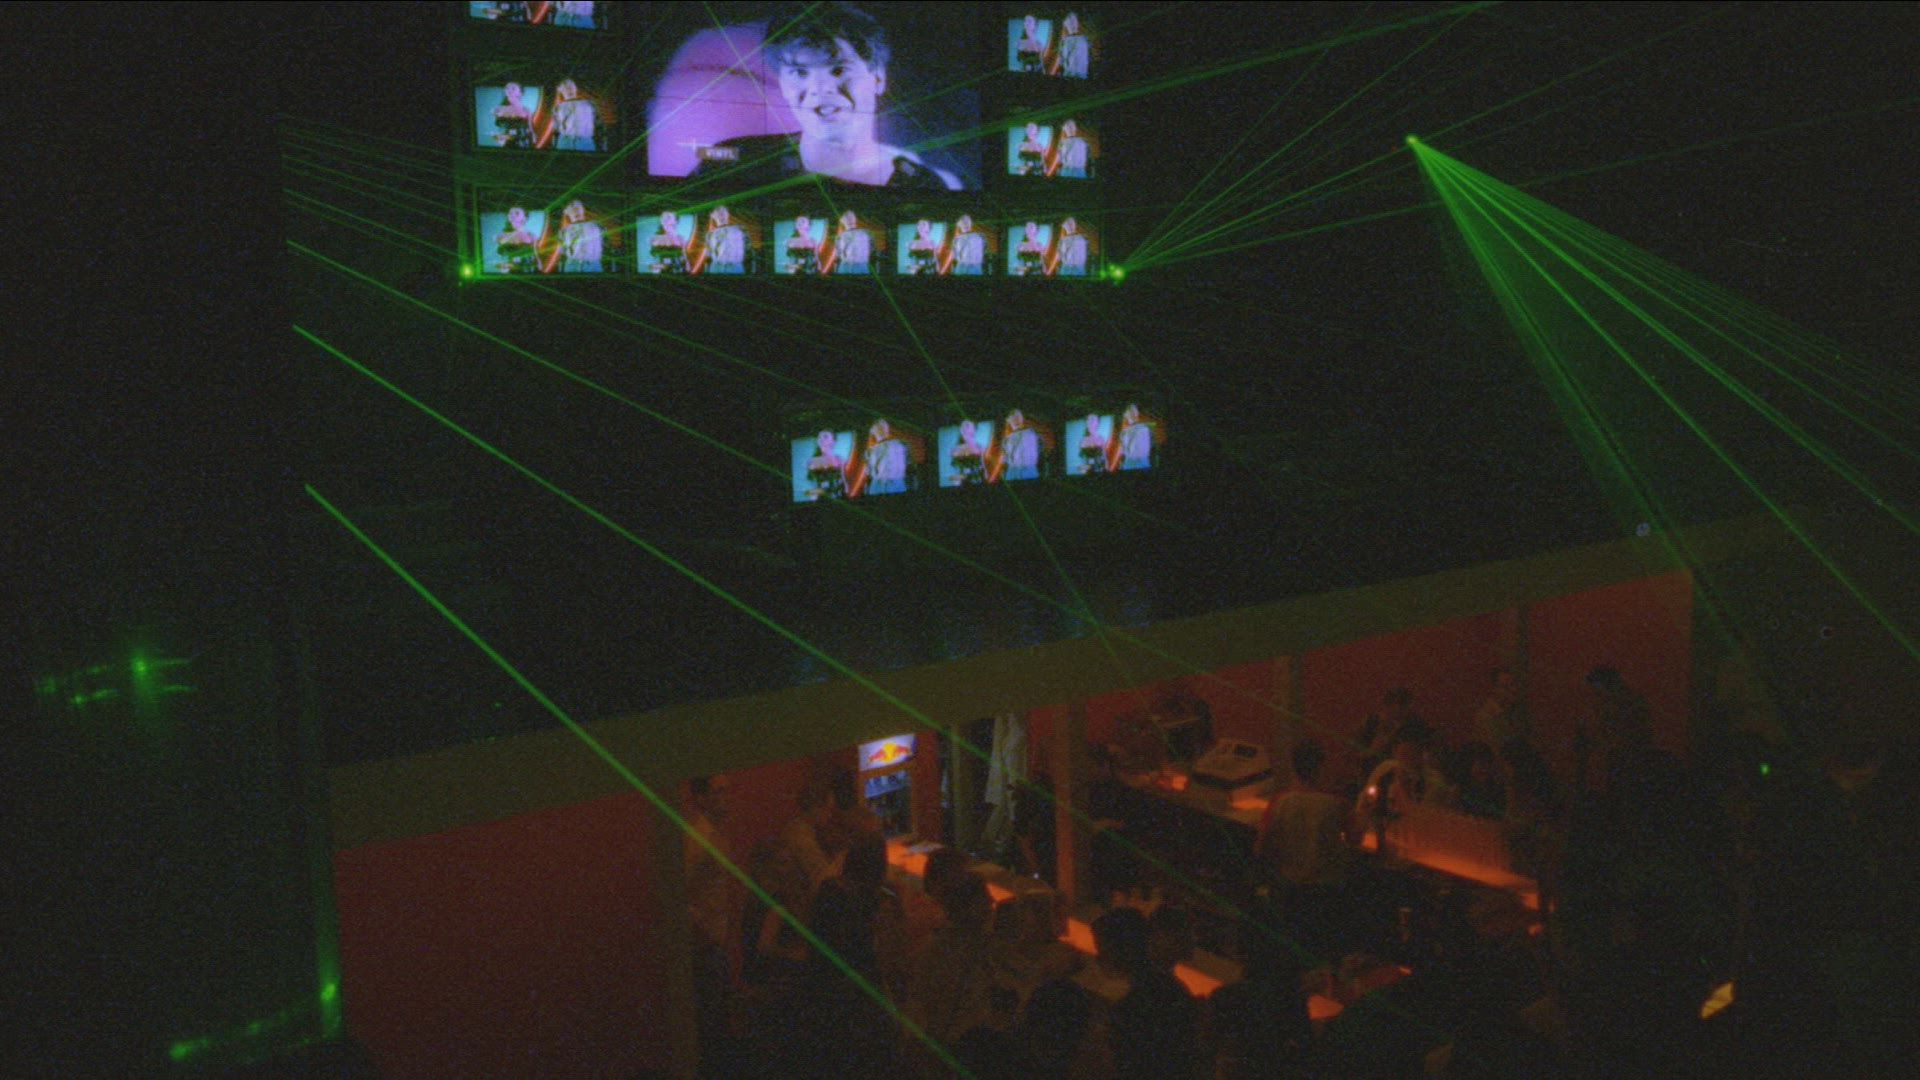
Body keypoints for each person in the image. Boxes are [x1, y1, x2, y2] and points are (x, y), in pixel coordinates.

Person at [691, 3, 961, 190]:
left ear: (878, 78)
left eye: (838, 69)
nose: (820, 88)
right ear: (783, 85)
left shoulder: (925, 184)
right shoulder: (733, 162)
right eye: (800, 72)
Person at [1473, 667, 1530, 754]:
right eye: (1506, 687)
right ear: (1494, 689)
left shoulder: (1516, 712)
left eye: (1514, 685)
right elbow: (1493, 753)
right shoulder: (1486, 718)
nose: (1514, 690)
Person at [860, 418, 907, 494]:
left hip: (887, 486)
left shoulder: (897, 445)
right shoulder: (900, 445)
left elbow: (870, 471)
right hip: (888, 485)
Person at [557, 199, 602, 273]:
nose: (576, 208)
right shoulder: (563, 232)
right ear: (565, 211)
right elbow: (562, 251)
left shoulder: (596, 226)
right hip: (572, 268)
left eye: (578, 204)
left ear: (583, 208)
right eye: (572, 205)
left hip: (593, 267)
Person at [552, 78, 596, 150]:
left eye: (572, 84)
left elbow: (599, 125)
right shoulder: (557, 107)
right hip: (565, 143)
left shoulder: (589, 104)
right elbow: (555, 129)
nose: (569, 87)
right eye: (565, 84)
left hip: (585, 142)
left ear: (576, 87)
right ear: (559, 89)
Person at [493, 205, 538, 274]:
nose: (512, 215)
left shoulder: (532, 236)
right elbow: (497, 259)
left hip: (529, 272)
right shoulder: (499, 236)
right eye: (510, 213)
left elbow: (536, 256)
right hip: (509, 273)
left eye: (517, 213)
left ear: (524, 218)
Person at [998, 409, 1040, 481]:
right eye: (1012, 414)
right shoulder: (1006, 440)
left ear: (1022, 416)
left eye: (1018, 414)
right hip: (1012, 475)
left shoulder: (1032, 433)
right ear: (1007, 419)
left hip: (1030, 474)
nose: (1016, 416)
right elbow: (1004, 460)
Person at [703, 205, 746, 273]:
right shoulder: (709, 235)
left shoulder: (739, 229)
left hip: (735, 268)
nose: (721, 212)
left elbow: (750, 251)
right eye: (718, 209)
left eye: (724, 209)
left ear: (728, 213)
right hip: (716, 269)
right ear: (712, 215)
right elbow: (708, 256)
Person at [805, 429, 846, 500]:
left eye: (825, 437)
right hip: (821, 500)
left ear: (833, 441)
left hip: (839, 498)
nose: (821, 439)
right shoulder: (811, 461)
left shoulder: (839, 459)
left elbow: (844, 481)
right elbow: (810, 486)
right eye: (819, 437)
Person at [492, 81, 532, 148]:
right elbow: (499, 127)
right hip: (505, 145)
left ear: (520, 93)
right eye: (507, 88)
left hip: (523, 144)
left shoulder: (527, 110)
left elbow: (530, 129)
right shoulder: (498, 109)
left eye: (513, 88)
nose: (509, 90)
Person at [832, 209, 871, 275]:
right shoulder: (840, 237)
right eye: (846, 216)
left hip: (862, 268)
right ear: (841, 220)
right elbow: (838, 254)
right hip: (846, 268)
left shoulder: (865, 234)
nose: (850, 219)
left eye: (852, 216)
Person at [949, 419, 987, 486]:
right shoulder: (956, 450)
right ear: (961, 430)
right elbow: (956, 473)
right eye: (964, 426)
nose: (965, 428)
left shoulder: (980, 447)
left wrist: (985, 473)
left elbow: (983, 466)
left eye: (968, 425)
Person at [1116, 403, 1152, 470]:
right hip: (1129, 464)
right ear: (1125, 414)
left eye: (1134, 411)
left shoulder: (1143, 429)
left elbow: (1142, 452)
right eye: (1130, 412)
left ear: (1137, 413)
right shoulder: (1124, 432)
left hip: (1140, 464)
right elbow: (1123, 451)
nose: (1132, 414)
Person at [1056, 12, 1090, 78]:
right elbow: (1061, 61)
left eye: (1074, 20)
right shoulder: (1063, 42)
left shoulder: (1084, 40)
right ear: (1065, 23)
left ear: (1077, 22)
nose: (1072, 24)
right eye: (1070, 21)